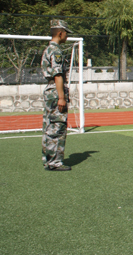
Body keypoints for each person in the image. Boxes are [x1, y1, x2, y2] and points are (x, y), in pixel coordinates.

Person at [41, 19, 73, 171]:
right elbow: (58, 75)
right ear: (60, 33)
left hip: (50, 91)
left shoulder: (48, 49)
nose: (67, 36)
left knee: (49, 125)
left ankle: (48, 159)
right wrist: (61, 97)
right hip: (55, 91)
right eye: (66, 33)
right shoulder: (56, 51)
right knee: (57, 126)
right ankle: (55, 162)